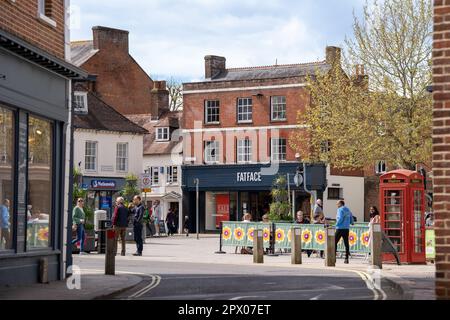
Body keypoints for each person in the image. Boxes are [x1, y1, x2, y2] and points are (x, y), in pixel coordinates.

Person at [335, 200, 353, 264]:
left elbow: (340, 218)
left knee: (334, 242)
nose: (336, 205)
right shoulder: (348, 209)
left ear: (340, 204)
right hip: (346, 228)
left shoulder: (340, 209)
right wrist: (352, 222)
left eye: (337, 204)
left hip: (340, 228)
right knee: (346, 243)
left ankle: (333, 256)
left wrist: (336, 224)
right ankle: (346, 258)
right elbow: (351, 216)